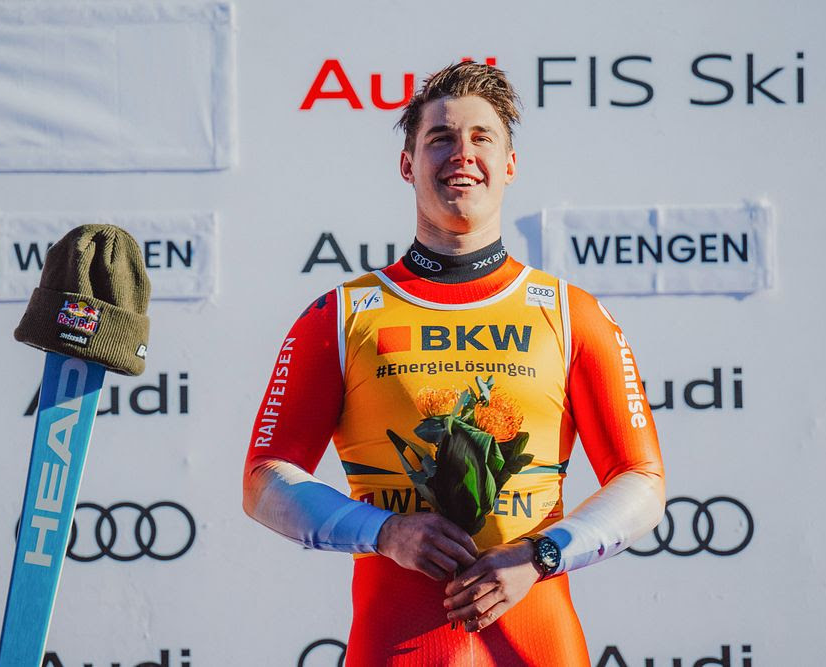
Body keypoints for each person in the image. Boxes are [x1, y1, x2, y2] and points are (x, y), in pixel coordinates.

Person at [243, 61, 665, 666]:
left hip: (538, 642)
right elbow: (263, 479)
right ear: (407, 164)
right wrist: (385, 532)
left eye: (481, 137)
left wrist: (542, 555)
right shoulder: (341, 315)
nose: (462, 153)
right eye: (440, 138)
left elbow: (643, 480)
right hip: (396, 645)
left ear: (510, 164)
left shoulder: (570, 313)